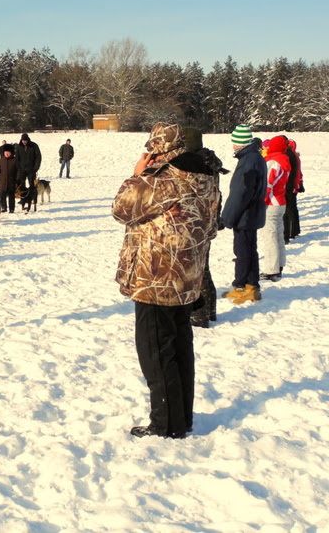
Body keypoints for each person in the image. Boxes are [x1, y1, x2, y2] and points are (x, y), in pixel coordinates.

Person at [112, 122, 219, 439]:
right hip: (185, 277)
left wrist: (138, 174)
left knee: (156, 353)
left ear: (159, 149)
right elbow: (210, 227)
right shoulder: (205, 176)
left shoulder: (164, 179)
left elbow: (121, 208)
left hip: (155, 277)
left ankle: (165, 425)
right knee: (180, 348)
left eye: (150, 149)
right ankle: (181, 417)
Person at [184, 128, 229, 328]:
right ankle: (210, 311)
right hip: (209, 219)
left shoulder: (194, 163)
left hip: (197, 221)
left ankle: (199, 315)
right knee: (204, 268)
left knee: (197, 271)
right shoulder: (210, 160)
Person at [219, 125, 267, 303]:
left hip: (245, 215)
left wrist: (226, 218)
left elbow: (240, 193)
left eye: (234, 142)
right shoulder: (254, 157)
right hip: (252, 213)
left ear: (240, 143)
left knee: (242, 251)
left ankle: (240, 286)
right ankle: (252, 287)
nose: (233, 146)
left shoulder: (248, 161)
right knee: (250, 250)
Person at [259, 135, 291, 281]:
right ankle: (280, 264)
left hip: (271, 204)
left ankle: (271, 270)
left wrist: (261, 202)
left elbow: (268, 185)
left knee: (270, 237)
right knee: (278, 235)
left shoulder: (273, 162)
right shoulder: (284, 160)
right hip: (281, 202)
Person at [283, 139, 303, 242]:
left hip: (289, 186)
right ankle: (295, 230)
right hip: (294, 186)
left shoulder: (289, 155)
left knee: (288, 210)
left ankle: (289, 233)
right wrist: (300, 183)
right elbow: (299, 172)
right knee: (293, 209)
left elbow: (290, 172)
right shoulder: (295, 155)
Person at [0, 144, 18, 213]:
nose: (6, 153)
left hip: (12, 181)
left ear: (11, 152)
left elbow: (18, 171)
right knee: (2, 195)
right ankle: (4, 207)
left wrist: (18, 181)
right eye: (5, 152)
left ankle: (11, 208)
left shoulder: (15, 160)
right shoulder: (1, 160)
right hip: (2, 182)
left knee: (11, 196)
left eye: (8, 152)